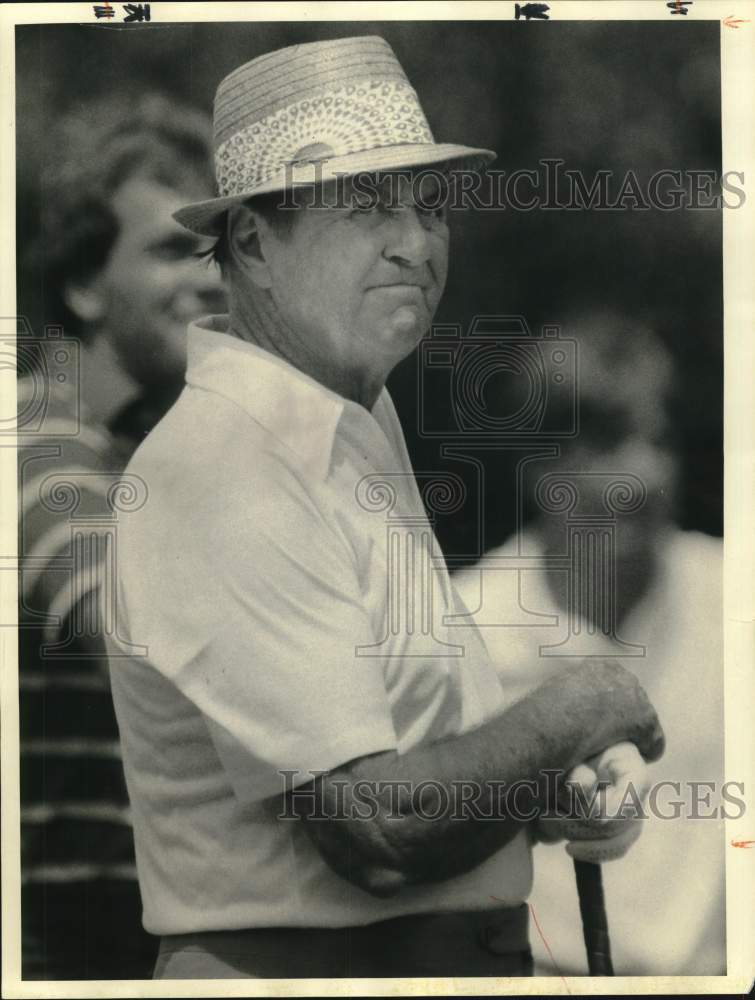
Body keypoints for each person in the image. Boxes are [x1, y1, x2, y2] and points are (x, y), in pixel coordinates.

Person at [106, 37, 664, 980]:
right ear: (251, 242)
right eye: (367, 206)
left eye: (430, 205)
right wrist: (577, 709)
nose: (415, 241)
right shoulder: (226, 461)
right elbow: (379, 829)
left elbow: (401, 770)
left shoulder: (341, 428)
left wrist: (537, 793)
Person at [17, 93, 225, 979]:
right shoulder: (36, 435)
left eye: (222, 250)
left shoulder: (161, 450)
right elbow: (133, 633)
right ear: (83, 283)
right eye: (175, 248)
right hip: (55, 955)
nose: (213, 278)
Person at [454, 311, 725, 974]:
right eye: (605, 442)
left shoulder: (731, 595)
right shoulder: (463, 626)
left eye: (657, 439)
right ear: (538, 468)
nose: (644, 473)